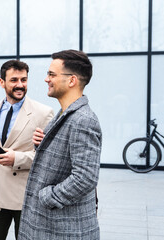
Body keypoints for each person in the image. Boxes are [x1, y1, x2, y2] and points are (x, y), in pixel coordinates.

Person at [0, 60, 54, 240]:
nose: (20, 85)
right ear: (2, 82)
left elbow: (48, 155)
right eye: (14, 80)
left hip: (26, 196)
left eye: (24, 80)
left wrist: (17, 158)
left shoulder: (43, 112)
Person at [18, 50, 102, 239]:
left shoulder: (83, 120)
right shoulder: (65, 114)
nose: (46, 79)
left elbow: (86, 177)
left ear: (71, 80)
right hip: (53, 225)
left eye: (51, 74)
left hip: (64, 228)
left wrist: (50, 196)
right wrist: (42, 146)